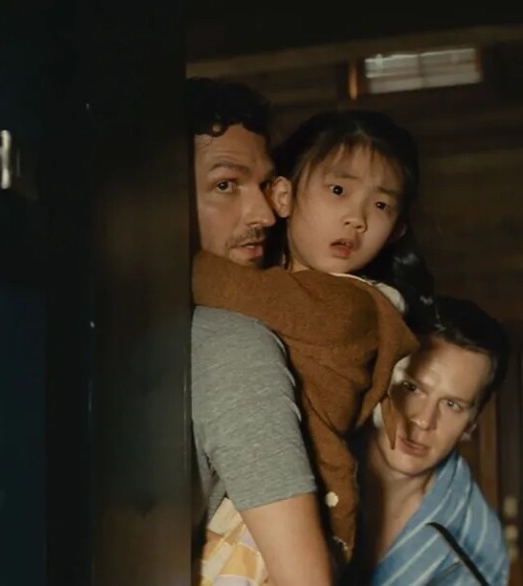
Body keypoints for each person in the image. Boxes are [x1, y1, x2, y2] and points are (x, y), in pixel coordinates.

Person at [195, 109, 433, 580]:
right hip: (258, 509)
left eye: (381, 206)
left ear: (397, 229)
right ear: (283, 195)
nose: (357, 219)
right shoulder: (278, 287)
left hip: (294, 520)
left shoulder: (354, 307)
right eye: (339, 190)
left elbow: (222, 287)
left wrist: (153, 251)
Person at [187, 77, 333, 586]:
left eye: (265, 185)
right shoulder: (231, 342)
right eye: (226, 184)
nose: (265, 214)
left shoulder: (229, 336)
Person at [356, 295, 510, 585]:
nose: (424, 420)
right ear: (380, 379)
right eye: (411, 387)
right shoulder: (313, 462)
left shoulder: (476, 538)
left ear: (472, 423)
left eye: (452, 405)